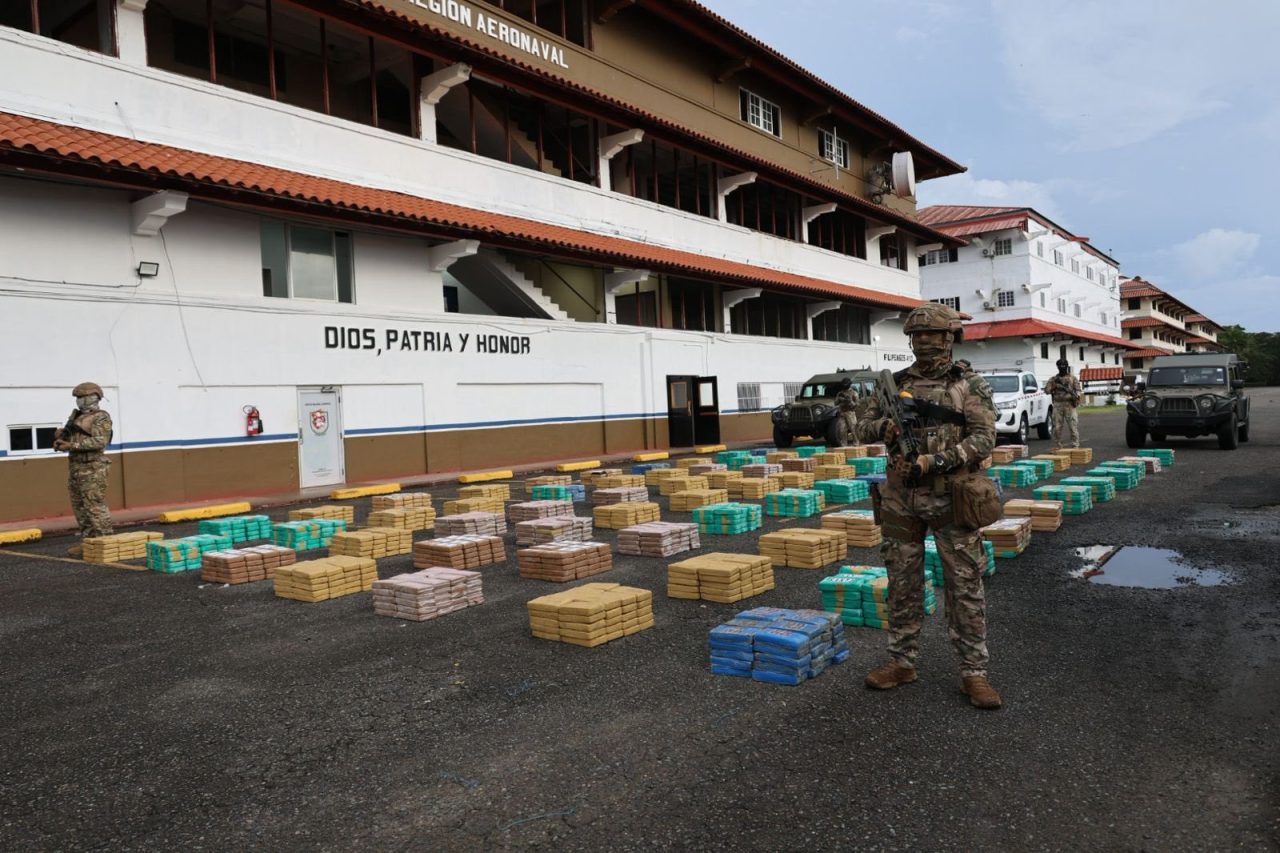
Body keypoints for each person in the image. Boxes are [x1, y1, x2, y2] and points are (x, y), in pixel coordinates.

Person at [854, 304, 1001, 709]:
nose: (924, 343)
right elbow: (859, 426)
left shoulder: (969, 385)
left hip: (952, 496)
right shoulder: (895, 384)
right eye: (917, 336)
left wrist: (934, 461)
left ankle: (974, 673)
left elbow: (984, 439)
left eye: (932, 336)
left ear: (949, 339)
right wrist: (882, 427)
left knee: (964, 585)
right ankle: (902, 662)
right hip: (901, 499)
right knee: (902, 582)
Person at [54, 382, 114, 553]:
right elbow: (70, 439)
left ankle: (105, 543)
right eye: (77, 398)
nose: (79, 401)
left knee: (94, 506)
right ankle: (89, 543)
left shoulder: (101, 417)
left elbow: (100, 441)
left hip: (93, 467)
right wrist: (61, 438)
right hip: (76, 466)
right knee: (80, 507)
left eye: (82, 397)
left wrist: (71, 445)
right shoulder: (76, 417)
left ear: (93, 397)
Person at [1044, 359, 1083, 449]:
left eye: (1064, 365)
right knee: (1057, 427)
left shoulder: (1073, 378)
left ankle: (1075, 445)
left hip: (1070, 405)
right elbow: (1046, 390)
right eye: (1060, 365)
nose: (1062, 367)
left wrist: (1075, 397)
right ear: (1057, 367)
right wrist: (1053, 387)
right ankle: (1058, 445)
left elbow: (1078, 391)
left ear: (1067, 366)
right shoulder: (1054, 379)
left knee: (1073, 426)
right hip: (1058, 405)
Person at [833, 376, 860, 446]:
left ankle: (856, 442)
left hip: (850, 413)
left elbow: (857, 404)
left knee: (853, 429)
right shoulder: (840, 393)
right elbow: (835, 403)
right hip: (842, 413)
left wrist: (850, 401)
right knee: (842, 430)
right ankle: (844, 444)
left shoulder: (854, 393)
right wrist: (839, 399)